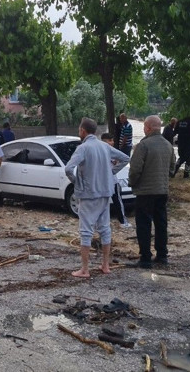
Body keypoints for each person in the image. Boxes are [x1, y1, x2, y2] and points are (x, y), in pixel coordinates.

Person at [65, 118, 128, 278]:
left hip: (88, 194)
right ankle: (105, 265)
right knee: (104, 228)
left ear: (83, 131)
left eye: (79, 130)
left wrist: (77, 183)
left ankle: (85, 269)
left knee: (86, 231)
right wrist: (110, 172)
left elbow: (68, 168)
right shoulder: (105, 146)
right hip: (105, 192)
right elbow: (125, 158)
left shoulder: (83, 148)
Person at [128, 115, 176, 269]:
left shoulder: (143, 145)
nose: (143, 129)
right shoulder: (168, 145)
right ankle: (162, 255)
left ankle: (145, 258)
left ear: (148, 127)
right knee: (161, 223)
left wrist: (132, 183)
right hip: (162, 190)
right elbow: (172, 168)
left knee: (144, 224)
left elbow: (135, 169)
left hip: (145, 192)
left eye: (144, 127)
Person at [100, 132, 131, 227]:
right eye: (110, 140)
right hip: (105, 181)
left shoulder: (113, 151)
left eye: (113, 140)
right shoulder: (102, 151)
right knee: (103, 203)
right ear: (104, 142)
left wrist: (113, 169)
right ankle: (102, 222)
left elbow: (124, 159)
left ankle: (122, 221)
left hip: (112, 180)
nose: (112, 142)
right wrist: (112, 170)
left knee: (117, 200)